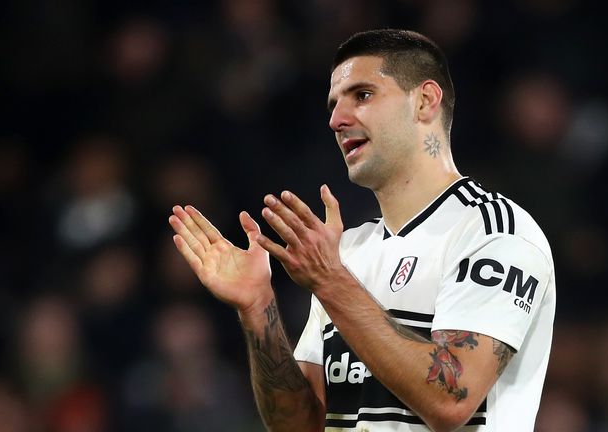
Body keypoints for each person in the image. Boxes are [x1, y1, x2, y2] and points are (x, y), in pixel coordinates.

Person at [168, 29, 556, 432]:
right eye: (334, 104)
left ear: (424, 101)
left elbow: (450, 398)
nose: (336, 120)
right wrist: (258, 308)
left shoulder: (494, 232)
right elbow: (300, 425)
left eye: (363, 95)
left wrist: (330, 282)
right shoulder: (348, 252)